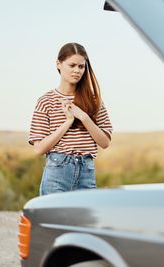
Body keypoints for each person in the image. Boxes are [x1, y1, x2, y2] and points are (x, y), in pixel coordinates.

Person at [28, 42, 113, 196]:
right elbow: (39, 149)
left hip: (86, 171)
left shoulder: (94, 100)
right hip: (57, 171)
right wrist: (68, 122)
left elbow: (105, 142)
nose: (77, 70)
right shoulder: (46, 101)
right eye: (72, 65)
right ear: (59, 64)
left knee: (86, 220)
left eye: (81, 66)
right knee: (53, 219)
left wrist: (84, 116)